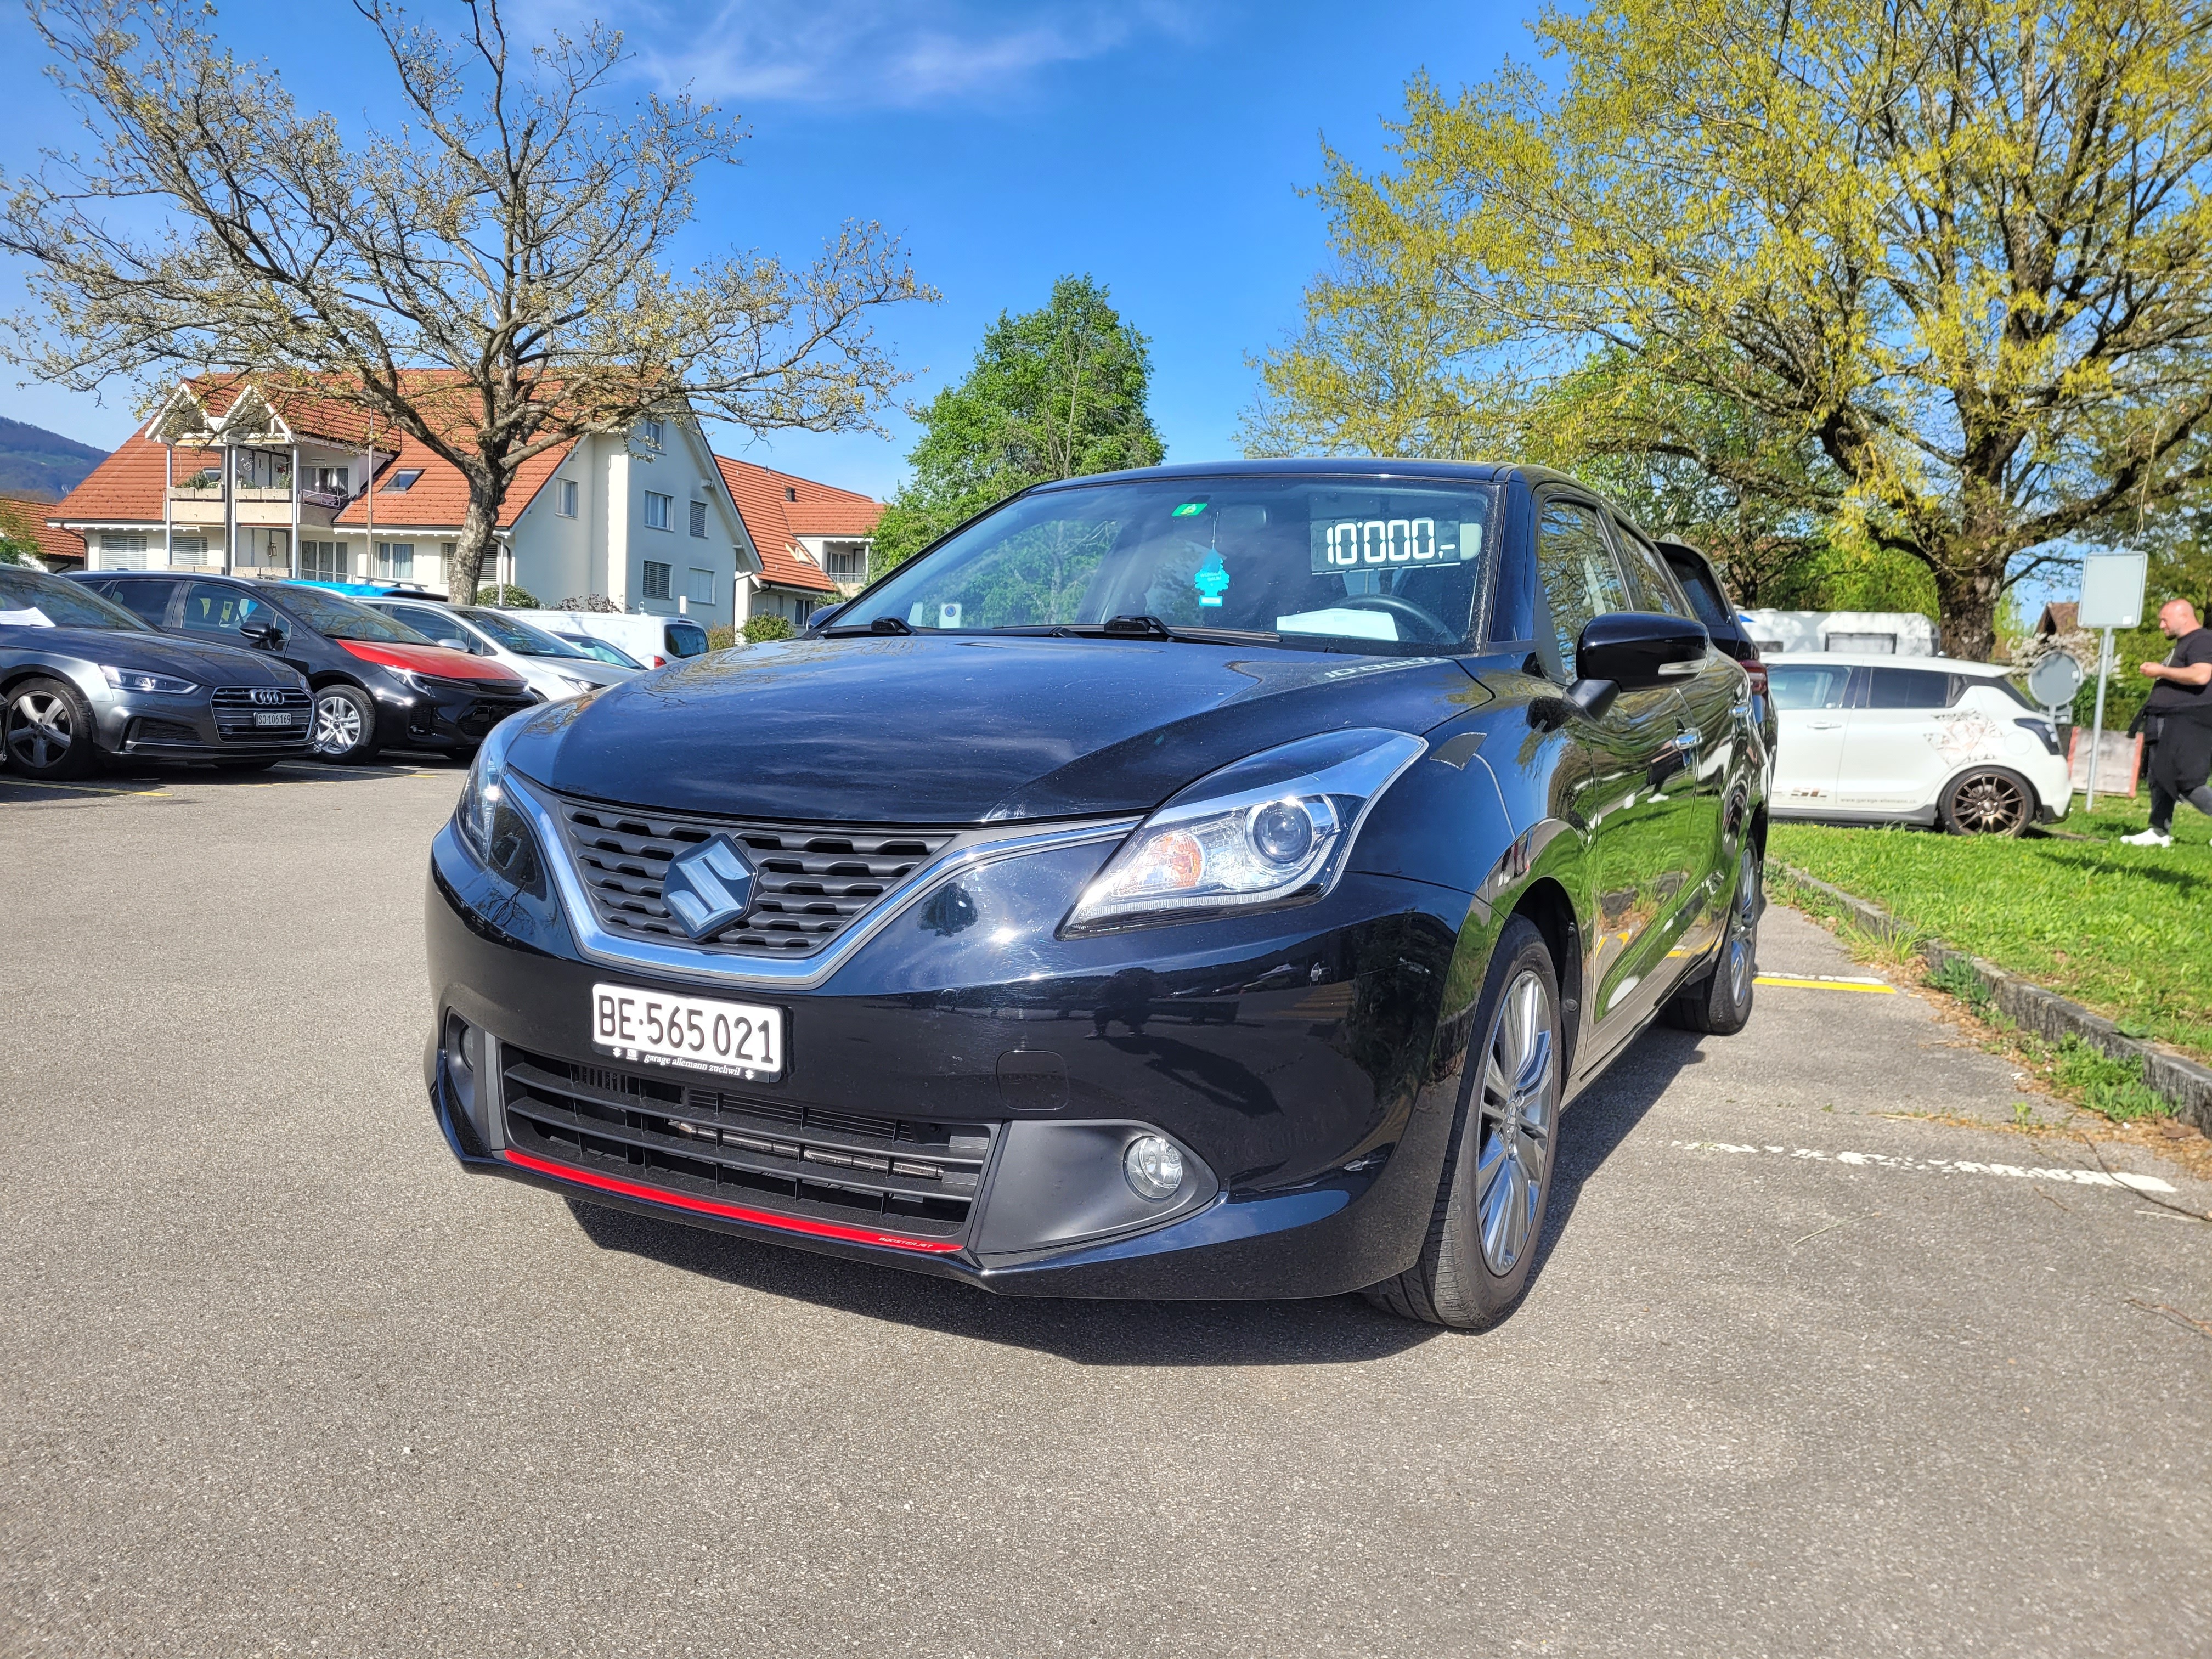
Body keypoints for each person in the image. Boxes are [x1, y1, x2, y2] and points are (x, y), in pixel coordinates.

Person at [2121, 598, 2212, 847]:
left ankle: (2160, 830)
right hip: (2167, 719)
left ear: (2183, 616)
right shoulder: (2183, 645)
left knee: (2186, 781)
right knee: (2159, 776)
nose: (2161, 625)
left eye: (2165, 619)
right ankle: (2159, 831)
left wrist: (2160, 671)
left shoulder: (2202, 640)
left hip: (2188, 721)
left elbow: (2201, 675)